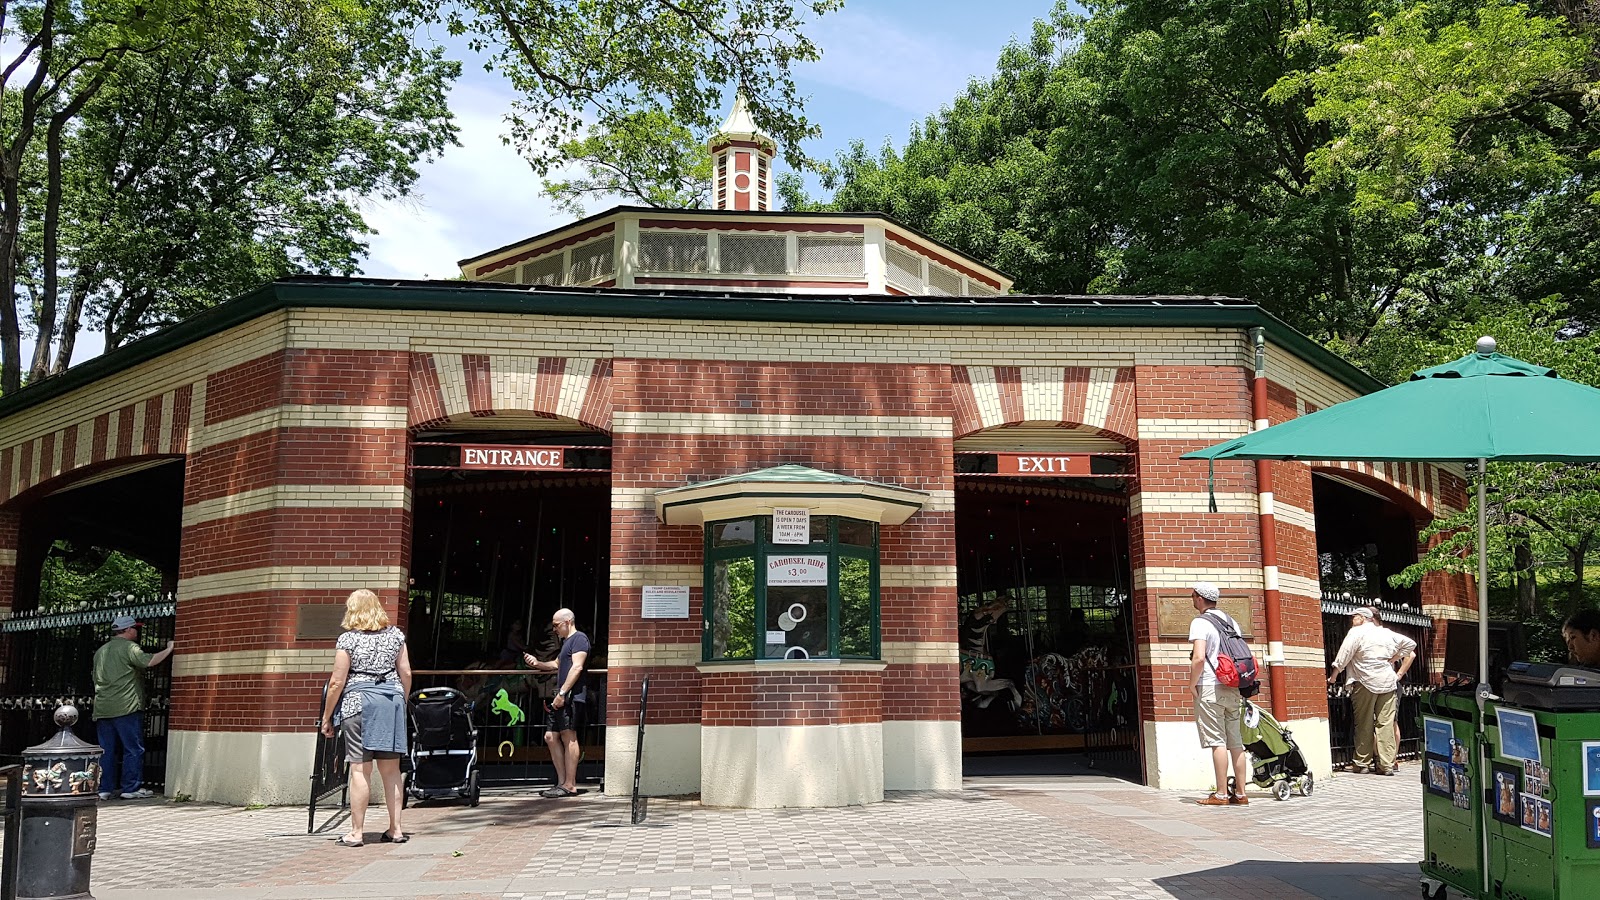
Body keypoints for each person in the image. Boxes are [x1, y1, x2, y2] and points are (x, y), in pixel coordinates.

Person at [319, 589, 412, 847]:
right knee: (392, 770)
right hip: (390, 703)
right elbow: (405, 672)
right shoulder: (396, 636)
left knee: (360, 769)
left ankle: (357, 832)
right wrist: (400, 701)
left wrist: (327, 717)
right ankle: (396, 829)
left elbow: (337, 681)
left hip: (358, 704)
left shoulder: (347, 640)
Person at [92, 615, 175, 801]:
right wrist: (169, 649)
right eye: (135, 628)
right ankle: (131, 787)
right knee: (133, 749)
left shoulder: (101, 651)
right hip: (126, 706)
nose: (137, 632)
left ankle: (104, 788)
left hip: (103, 707)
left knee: (107, 750)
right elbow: (150, 661)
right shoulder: (129, 648)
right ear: (128, 630)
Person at [1328, 606, 1416, 776]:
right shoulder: (1386, 633)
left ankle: (1362, 763)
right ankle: (1386, 765)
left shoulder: (1356, 632)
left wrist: (1333, 677)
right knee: (1386, 723)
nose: (1351, 619)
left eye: (1354, 616)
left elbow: (1343, 656)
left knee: (1364, 723)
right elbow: (1411, 644)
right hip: (1388, 682)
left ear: (1362, 617)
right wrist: (1394, 658)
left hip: (1364, 681)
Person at [1188, 582, 1250, 806]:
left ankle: (1222, 794)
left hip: (1210, 686)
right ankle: (1241, 793)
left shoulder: (1200, 623)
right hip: (1232, 686)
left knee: (1217, 741)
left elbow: (1199, 658)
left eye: (1193, 596)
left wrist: (1192, 684)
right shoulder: (1231, 621)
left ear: (1200, 598)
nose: (1192, 599)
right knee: (1236, 742)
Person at [523, 608, 589, 798]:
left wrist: (562, 693)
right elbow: (556, 664)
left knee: (569, 736)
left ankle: (570, 784)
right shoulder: (567, 643)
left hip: (570, 697)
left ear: (568, 622)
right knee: (550, 737)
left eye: (556, 625)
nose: (554, 630)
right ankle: (562, 782)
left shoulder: (579, 639)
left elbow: (577, 667)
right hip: (561, 697)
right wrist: (537, 664)